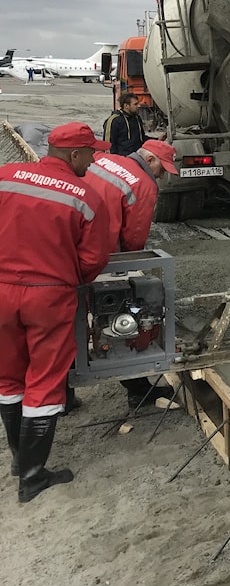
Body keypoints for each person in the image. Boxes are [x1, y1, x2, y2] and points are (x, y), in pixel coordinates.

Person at [0, 122, 113, 503]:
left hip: (1, 290)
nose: (94, 160)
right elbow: (93, 260)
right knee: (46, 380)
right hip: (48, 296)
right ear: (74, 154)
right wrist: (64, 276)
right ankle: (32, 477)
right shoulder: (85, 197)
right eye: (91, 153)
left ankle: (19, 460)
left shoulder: (6, 176)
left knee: (8, 376)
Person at [85, 139, 180, 409]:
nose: (161, 176)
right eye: (162, 169)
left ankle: (62, 397)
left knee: (67, 320)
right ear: (149, 160)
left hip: (70, 240)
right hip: (97, 250)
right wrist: (129, 269)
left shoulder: (105, 159)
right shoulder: (143, 184)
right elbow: (134, 237)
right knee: (123, 312)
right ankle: (137, 389)